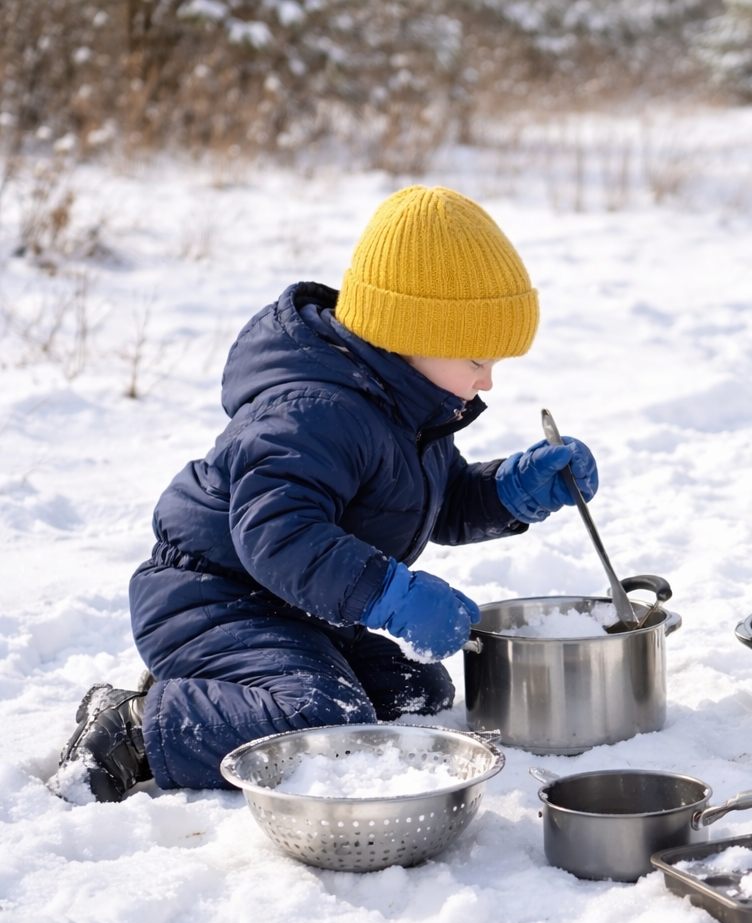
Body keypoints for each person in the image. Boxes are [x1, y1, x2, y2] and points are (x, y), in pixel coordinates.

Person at [52, 185, 599, 802]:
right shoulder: (315, 410)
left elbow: (434, 501)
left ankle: (224, 689)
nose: (488, 381)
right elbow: (279, 536)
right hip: (216, 599)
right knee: (320, 721)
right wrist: (390, 595)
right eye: (477, 359)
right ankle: (133, 726)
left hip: (303, 607)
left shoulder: (409, 404)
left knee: (416, 695)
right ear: (411, 331)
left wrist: (511, 490)